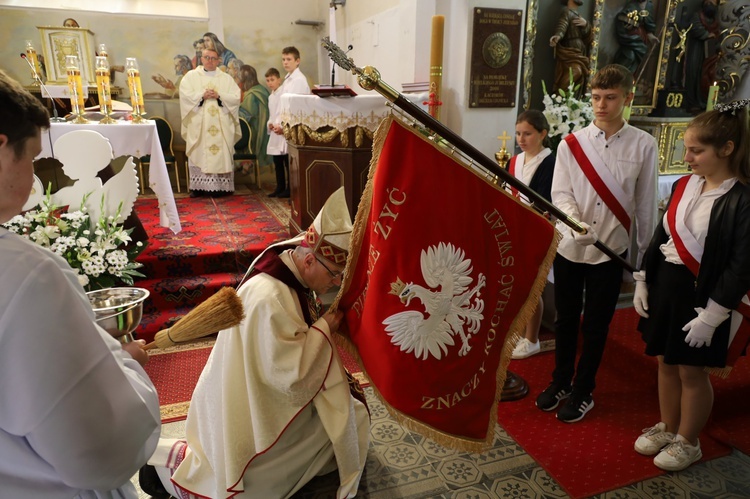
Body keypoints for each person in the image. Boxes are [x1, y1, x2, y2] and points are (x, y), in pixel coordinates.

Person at [144, 187, 370, 498]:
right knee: (346, 419)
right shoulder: (271, 298)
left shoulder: (287, 258)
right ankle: (168, 472)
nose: (334, 284)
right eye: (333, 275)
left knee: (345, 405)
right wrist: (324, 327)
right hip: (251, 408)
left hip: (246, 386)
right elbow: (290, 376)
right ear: (308, 262)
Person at [0, 69, 161, 496]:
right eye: (32, 159)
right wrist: (123, 364)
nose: (36, 179)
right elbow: (102, 450)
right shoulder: (25, 276)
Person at [632, 101, 750, 471]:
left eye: (696, 150)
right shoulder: (685, 184)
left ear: (727, 149)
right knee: (665, 361)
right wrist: (642, 279)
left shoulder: (742, 199)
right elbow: (660, 236)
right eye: (686, 149)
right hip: (667, 285)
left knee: (691, 371)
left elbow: (741, 265)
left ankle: (689, 440)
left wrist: (713, 316)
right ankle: (668, 427)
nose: (687, 157)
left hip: (704, 296)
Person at [537, 64, 658, 423]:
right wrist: (574, 222)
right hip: (572, 247)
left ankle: (583, 389)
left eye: (610, 98)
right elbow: (560, 192)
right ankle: (560, 380)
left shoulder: (644, 144)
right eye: (595, 97)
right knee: (565, 319)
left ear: (627, 98)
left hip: (611, 249)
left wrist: (641, 267)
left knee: (597, 325)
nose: (601, 105)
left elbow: (646, 207)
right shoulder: (571, 144)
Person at [508, 110, 556, 359]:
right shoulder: (515, 161)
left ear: (543, 134)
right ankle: (519, 332)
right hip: (514, 229)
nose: (521, 139)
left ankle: (533, 338)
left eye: (527, 134)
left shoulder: (550, 163)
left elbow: (547, 202)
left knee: (532, 287)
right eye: (518, 133)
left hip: (536, 231)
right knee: (517, 286)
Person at [180, 47, 241, 197]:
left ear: (218, 60)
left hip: (221, 125)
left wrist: (220, 96)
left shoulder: (226, 78)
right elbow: (185, 96)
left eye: (214, 58)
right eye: (207, 57)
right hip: (200, 123)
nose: (210, 61)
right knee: (199, 152)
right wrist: (202, 96)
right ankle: (198, 188)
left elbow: (235, 98)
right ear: (201, 58)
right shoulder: (191, 77)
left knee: (220, 153)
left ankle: (221, 187)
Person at [267, 47, 311, 198]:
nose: (285, 62)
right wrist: (277, 123)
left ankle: (293, 191)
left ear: (297, 61)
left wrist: (284, 127)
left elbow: (295, 107)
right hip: (284, 126)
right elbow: (282, 106)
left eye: (289, 59)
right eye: (283, 59)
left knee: (291, 163)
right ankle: (287, 189)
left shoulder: (298, 80)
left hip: (292, 127)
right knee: (285, 161)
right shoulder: (288, 79)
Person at [683, 0, 721, 112]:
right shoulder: (697, 15)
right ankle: (693, 102)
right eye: (708, 1)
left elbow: (718, 34)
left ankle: (706, 102)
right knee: (694, 73)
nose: (710, 3)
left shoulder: (715, 20)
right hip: (696, 49)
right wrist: (706, 35)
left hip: (710, 53)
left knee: (708, 75)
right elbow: (695, 27)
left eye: (713, 2)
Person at [549, 0, 593, 95]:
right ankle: (559, 97)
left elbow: (587, 36)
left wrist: (586, 25)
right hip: (570, 50)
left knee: (579, 77)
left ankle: (570, 100)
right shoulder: (566, 12)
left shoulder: (577, 15)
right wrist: (558, 36)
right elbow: (562, 25)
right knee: (576, 71)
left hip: (580, 51)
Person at [236, 64, 271, 172]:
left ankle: (244, 165)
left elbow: (246, 116)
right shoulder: (261, 89)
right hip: (264, 129)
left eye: (239, 78)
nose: (238, 81)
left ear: (245, 80)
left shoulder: (251, 95)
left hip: (256, 131)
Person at [613, 0, 660, 75]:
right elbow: (622, 20)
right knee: (629, 56)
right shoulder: (632, 5)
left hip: (642, 38)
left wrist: (650, 35)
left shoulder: (649, 5)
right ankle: (616, 78)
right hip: (631, 38)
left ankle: (630, 80)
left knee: (638, 62)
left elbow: (649, 23)